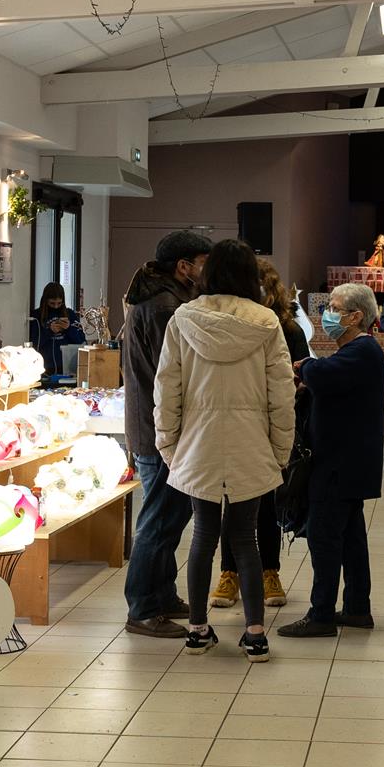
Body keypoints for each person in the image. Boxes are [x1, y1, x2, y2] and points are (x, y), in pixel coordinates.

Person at [153, 238, 295, 662]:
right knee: (245, 539)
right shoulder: (266, 322)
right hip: (252, 443)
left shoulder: (183, 319)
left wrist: (169, 445)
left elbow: (166, 389)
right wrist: (280, 450)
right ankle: (254, 634)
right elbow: (282, 395)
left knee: (202, 535)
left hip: (198, 443)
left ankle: (197, 629)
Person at [280, 283, 384, 638]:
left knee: (325, 538)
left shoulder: (361, 351)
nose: (329, 313)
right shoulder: (359, 351)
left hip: (339, 464)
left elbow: (323, 374)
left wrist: (305, 366)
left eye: (335, 308)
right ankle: (357, 607)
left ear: (357, 316)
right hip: (349, 461)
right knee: (351, 538)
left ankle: (322, 613)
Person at [122, 230, 211, 637]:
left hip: (157, 427)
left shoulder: (162, 297)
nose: (205, 273)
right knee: (158, 520)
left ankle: (162, 595)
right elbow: (172, 375)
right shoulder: (163, 306)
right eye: (202, 264)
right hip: (159, 431)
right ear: (183, 267)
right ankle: (142, 607)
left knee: (170, 517)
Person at [215, 260, 308, 611]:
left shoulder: (288, 330)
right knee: (232, 502)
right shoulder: (230, 327)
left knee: (269, 503)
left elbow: (300, 377)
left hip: (272, 426)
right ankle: (229, 573)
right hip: (235, 424)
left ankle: (270, 571)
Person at [29, 281, 86, 373]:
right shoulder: (36, 316)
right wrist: (49, 331)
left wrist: (69, 329)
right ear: (45, 300)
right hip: (43, 365)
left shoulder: (70, 314)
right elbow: (35, 344)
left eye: (59, 303)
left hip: (66, 366)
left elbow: (81, 341)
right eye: (52, 303)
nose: (56, 307)